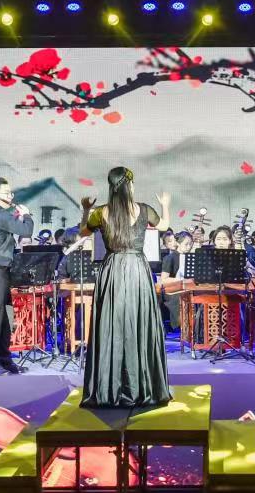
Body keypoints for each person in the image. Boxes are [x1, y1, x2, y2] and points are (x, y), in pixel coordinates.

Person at [78, 166, 173, 408]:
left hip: (113, 270)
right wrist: (165, 205)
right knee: (138, 323)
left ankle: (109, 388)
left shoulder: (101, 212)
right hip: (137, 270)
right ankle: (141, 386)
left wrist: (86, 209)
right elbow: (164, 226)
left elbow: (83, 231)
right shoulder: (144, 209)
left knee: (112, 325)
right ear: (129, 185)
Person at [0, 177, 35, 376]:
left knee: (6, 319)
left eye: (11, 193)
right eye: (7, 193)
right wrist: (26, 215)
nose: (11, 196)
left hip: (0, 271)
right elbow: (26, 230)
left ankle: (5, 360)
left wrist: (17, 218)